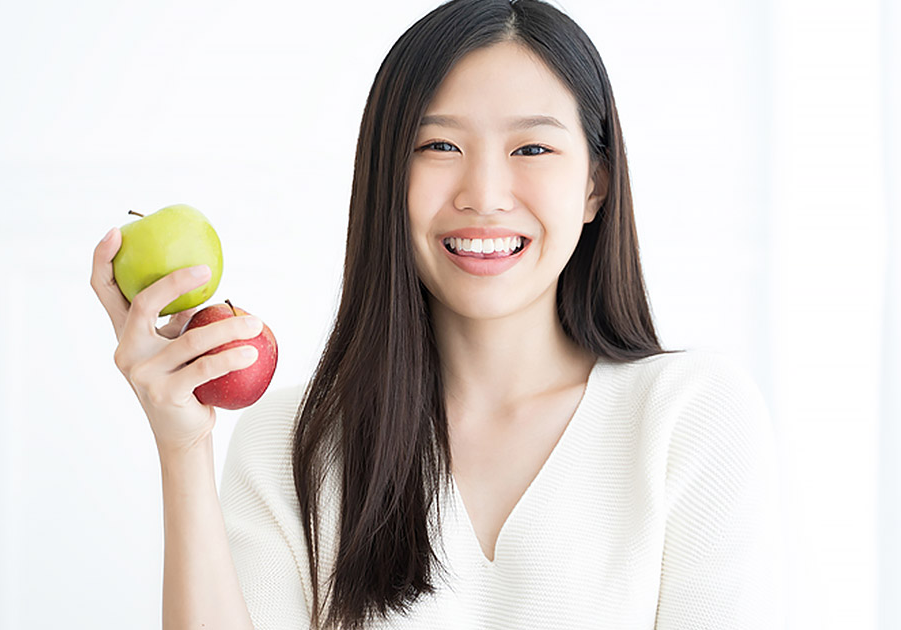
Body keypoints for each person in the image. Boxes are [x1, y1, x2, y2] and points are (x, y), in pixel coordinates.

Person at [91, 0, 784, 628]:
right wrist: (183, 448)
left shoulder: (689, 418)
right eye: (439, 146)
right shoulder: (290, 440)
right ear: (388, 177)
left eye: (532, 148)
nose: (483, 194)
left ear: (595, 185)